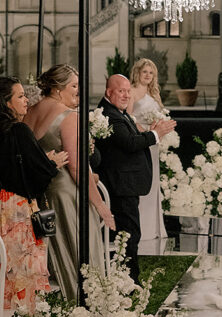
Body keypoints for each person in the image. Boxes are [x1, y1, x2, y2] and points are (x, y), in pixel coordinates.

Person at [25, 64, 114, 302]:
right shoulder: (69, 116)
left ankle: (56, 306)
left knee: (53, 252)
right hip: (68, 195)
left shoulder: (30, 112)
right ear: (57, 88)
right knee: (81, 252)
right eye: (74, 86)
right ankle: (85, 304)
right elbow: (76, 167)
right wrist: (100, 205)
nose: (78, 90)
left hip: (42, 194)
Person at [95, 75, 176, 282]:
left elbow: (131, 138)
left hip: (125, 184)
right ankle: (129, 280)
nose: (126, 95)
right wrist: (155, 134)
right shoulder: (109, 115)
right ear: (108, 92)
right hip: (120, 184)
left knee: (129, 233)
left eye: (128, 91)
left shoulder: (117, 112)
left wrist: (152, 132)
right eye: (121, 91)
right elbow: (129, 143)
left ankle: (127, 277)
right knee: (128, 234)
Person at [0, 76, 67, 315]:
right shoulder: (19, 130)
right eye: (20, 96)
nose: (26, 100)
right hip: (17, 209)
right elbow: (36, 173)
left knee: (3, 266)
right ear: (6, 102)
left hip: (2, 206)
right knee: (22, 271)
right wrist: (52, 163)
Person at [128, 58, 169, 254]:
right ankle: (142, 228)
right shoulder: (131, 91)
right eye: (145, 71)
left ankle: (153, 227)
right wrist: (144, 131)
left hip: (153, 141)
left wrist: (159, 128)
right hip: (140, 139)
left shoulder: (153, 94)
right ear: (137, 72)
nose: (148, 75)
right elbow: (128, 117)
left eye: (151, 73)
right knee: (143, 180)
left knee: (153, 182)